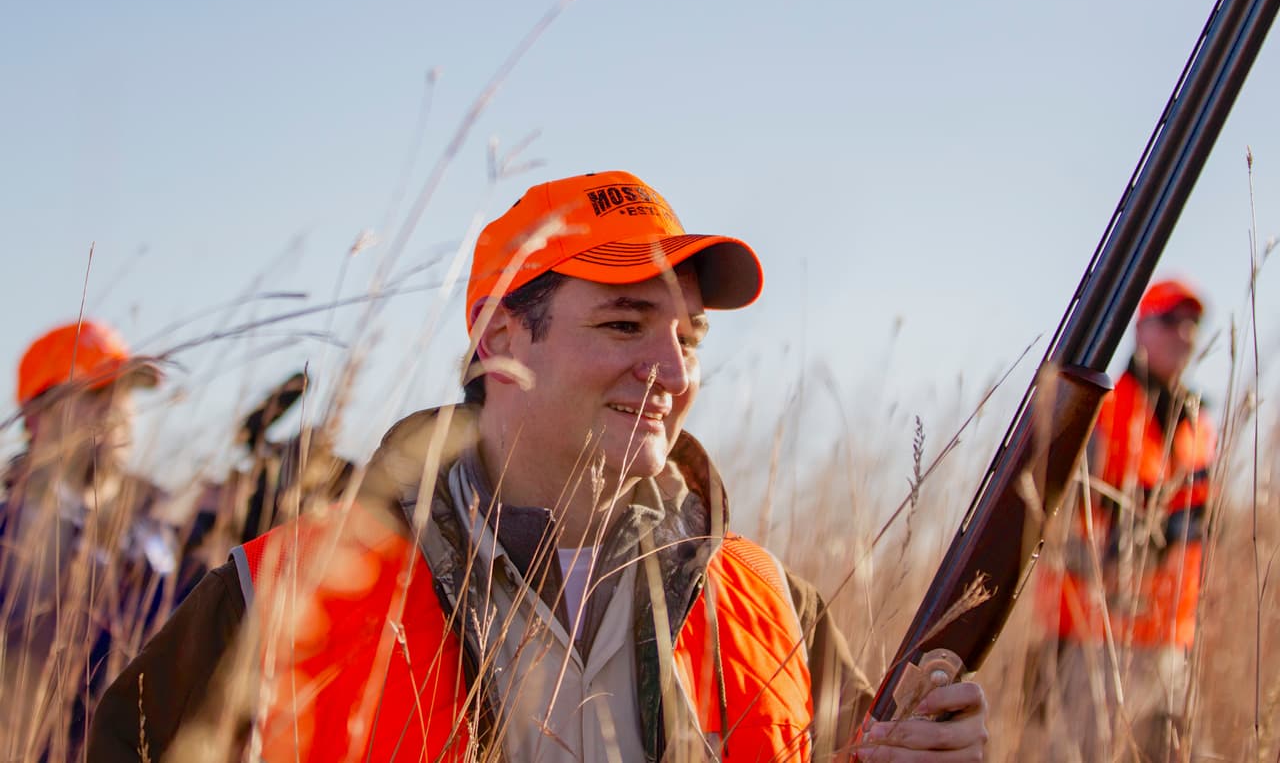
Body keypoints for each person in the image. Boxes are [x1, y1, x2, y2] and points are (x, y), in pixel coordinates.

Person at [88, 171, 989, 761]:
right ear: (498, 339)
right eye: (625, 324)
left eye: (688, 338)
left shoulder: (771, 604)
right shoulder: (283, 594)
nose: (673, 373)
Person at [1033, 279, 1216, 762]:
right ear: (1140, 329)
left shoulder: (1200, 423)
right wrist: (1128, 546)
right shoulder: (1101, 410)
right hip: (1097, 641)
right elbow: (1050, 519)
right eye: (1171, 321)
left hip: (1171, 641)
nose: (1185, 334)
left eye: (1193, 324)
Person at [1, 320, 191, 760]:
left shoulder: (159, 539)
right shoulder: (8, 540)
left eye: (125, 393)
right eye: (95, 392)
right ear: (35, 417)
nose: (117, 410)